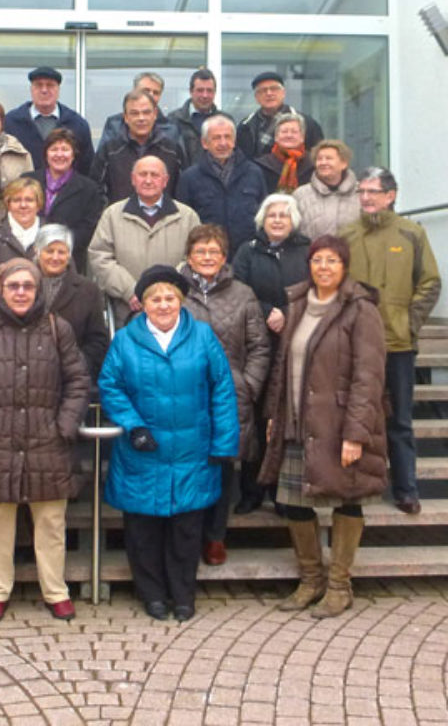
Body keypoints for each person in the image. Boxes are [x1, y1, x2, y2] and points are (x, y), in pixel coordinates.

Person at [98, 265, 239, 621]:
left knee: (186, 530)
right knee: (143, 529)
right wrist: (133, 426)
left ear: (181, 301)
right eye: (155, 299)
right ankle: (152, 595)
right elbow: (110, 386)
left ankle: (183, 595)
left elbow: (222, 389)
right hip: (143, 449)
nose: (163, 305)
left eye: (170, 298)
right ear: (142, 304)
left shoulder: (203, 337)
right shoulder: (126, 340)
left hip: (192, 452)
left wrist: (224, 443)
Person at [0, 258, 90, 623]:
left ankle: (55, 590)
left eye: (27, 286)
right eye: (13, 286)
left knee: (50, 522)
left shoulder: (57, 328)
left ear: (38, 289)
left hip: (48, 439)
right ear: (1, 289)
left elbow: (78, 381)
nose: (20, 292)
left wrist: (64, 425)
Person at [258, 235, 388, 618]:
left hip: (340, 423)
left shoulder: (360, 309)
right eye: (318, 261)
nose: (324, 268)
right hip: (298, 421)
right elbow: (282, 368)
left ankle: (339, 585)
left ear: (344, 266)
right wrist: (273, 417)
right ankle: (310, 580)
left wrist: (356, 434)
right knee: (295, 503)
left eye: (332, 261)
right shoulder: (297, 303)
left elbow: (369, 377)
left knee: (348, 499)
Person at [342, 168, 442, 514]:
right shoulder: (347, 234)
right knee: (356, 418)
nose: (366, 197)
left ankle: (406, 489)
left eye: (373, 191)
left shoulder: (411, 233)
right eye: (361, 191)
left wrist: (408, 322)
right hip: (356, 345)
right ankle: (356, 487)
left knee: (399, 420)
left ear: (391, 195)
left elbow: (430, 282)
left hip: (398, 344)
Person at [178, 225, 270, 566]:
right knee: (189, 466)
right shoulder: (175, 291)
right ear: (189, 255)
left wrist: (247, 386)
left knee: (222, 467)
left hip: (229, 395)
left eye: (213, 252)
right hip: (184, 395)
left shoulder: (243, 294)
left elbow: (259, 346)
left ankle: (216, 536)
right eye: (200, 251)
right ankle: (189, 538)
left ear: (224, 256)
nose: (206, 258)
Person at [231, 193, 311, 513]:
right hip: (256, 343)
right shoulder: (247, 251)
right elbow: (238, 288)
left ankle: (281, 493)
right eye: (272, 214)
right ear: (262, 219)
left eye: (284, 215)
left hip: (295, 344)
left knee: (282, 419)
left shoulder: (307, 250)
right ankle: (251, 492)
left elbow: (315, 288)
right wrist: (267, 311)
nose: (277, 220)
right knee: (255, 416)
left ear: (293, 221)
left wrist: (286, 312)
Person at [88, 156, 200, 329]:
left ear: (165, 180)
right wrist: (131, 291)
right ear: (133, 179)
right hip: (128, 309)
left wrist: (166, 291)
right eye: (143, 175)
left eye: (154, 175)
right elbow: (99, 256)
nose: (148, 180)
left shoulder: (188, 217)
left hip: (175, 307)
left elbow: (194, 258)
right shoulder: (112, 215)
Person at [178, 114, 267, 259]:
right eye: (216, 138)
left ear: (234, 140)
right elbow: (184, 223)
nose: (223, 143)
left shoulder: (254, 173)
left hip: (247, 257)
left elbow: (263, 217)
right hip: (207, 257)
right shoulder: (190, 178)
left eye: (227, 137)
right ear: (204, 143)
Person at [25, 127, 105, 274]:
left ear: (74, 155)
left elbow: (88, 229)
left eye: (65, 149)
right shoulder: (28, 180)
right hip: (30, 259)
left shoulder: (88, 189)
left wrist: (57, 245)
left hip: (68, 262)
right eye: (54, 149)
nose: (59, 154)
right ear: (46, 154)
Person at [35, 224, 109, 380]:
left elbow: (98, 340)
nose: (55, 257)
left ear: (69, 255)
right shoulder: (22, 285)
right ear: (37, 251)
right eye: (49, 251)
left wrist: (75, 364)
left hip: (72, 377)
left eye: (61, 252)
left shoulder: (88, 290)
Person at [91, 88, 187, 204]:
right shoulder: (110, 151)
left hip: (165, 220)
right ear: (126, 117)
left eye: (146, 112)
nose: (141, 118)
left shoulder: (172, 150)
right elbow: (95, 189)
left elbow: (182, 191)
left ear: (155, 114)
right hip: (120, 220)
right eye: (134, 113)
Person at [4, 66, 95, 175]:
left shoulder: (77, 124)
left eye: (50, 85)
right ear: (31, 89)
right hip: (22, 190)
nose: (44, 90)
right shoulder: (11, 122)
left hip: (67, 190)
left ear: (58, 89)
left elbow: (87, 167)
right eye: (38, 85)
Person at [0, 177, 43, 292]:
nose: (23, 205)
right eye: (16, 200)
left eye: (29, 200)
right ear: (8, 204)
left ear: (38, 204)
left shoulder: (51, 235)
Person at [236, 71, 324, 159]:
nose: (269, 93)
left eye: (274, 89)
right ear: (256, 97)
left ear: (283, 93)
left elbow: (318, 156)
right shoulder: (245, 126)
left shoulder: (307, 123)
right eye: (263, 90)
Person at [293, 139, 360, 240]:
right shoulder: (301, 195)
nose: (323, 163)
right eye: (319, 159)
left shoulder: (361, 193)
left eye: (329, 158)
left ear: (344, 163)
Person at [98, 72, 180, 150]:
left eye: (156, 93)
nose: (151, 95)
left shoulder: (170, 129)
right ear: (134, 91)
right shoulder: (115, 124)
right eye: (146, 91)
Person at [168, 68, 227, 164]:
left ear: (215, 93)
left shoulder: (225, 121)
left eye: (209, 91)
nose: (205, 95)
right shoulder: (174, 120)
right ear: (191, 91)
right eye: (200, 90)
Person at [254, 113, 315, 194]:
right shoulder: (261, 166)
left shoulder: (314, 163)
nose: (289, 135)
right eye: (284, 131)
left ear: (302, 138)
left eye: (294, 132)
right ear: (276, 137)